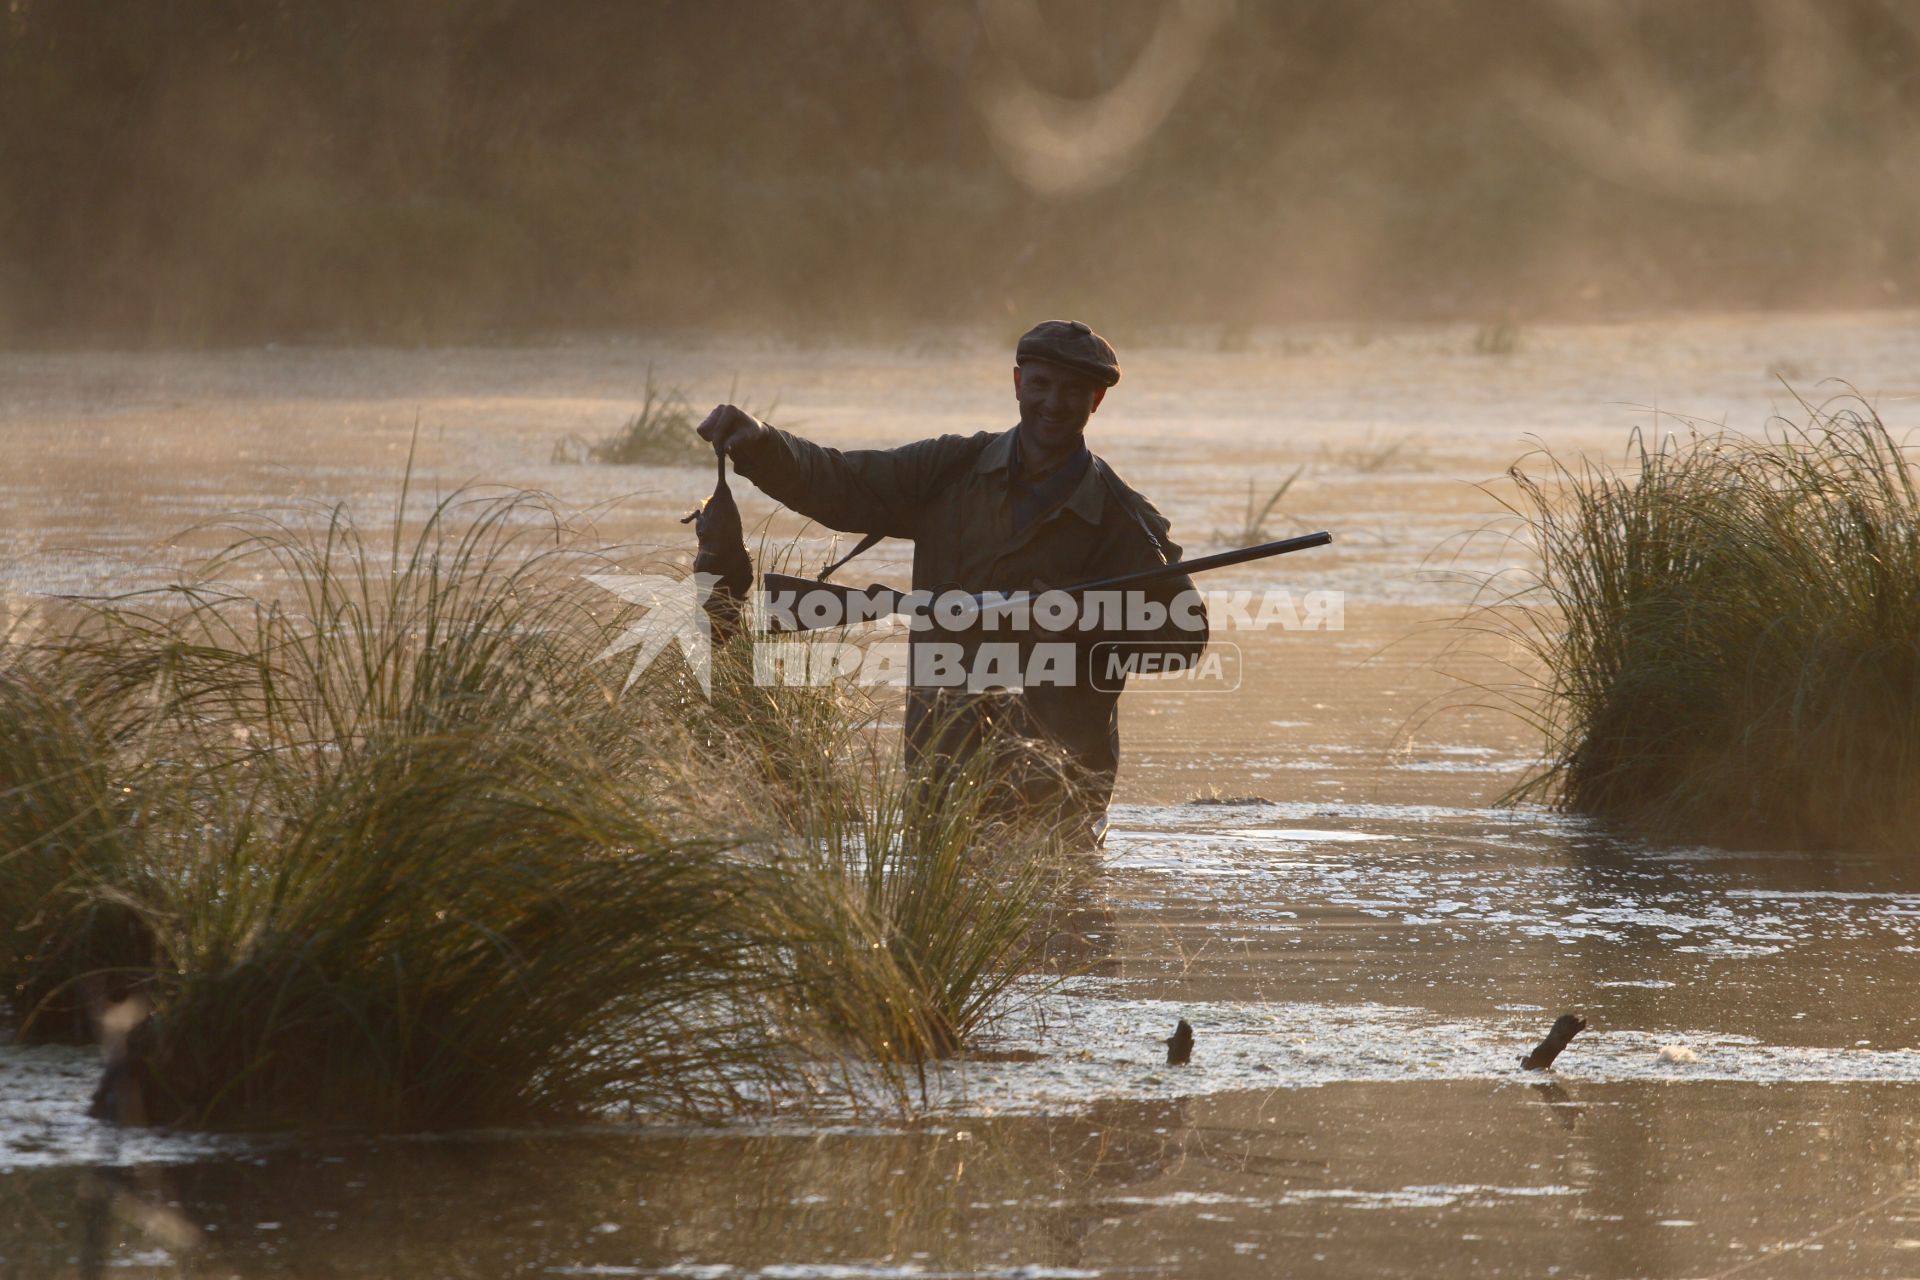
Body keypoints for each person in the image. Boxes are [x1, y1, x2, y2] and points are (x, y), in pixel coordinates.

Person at [697, 319, 1207, 838]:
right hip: (942, 771)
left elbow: (1185, 636)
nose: (1054, 402)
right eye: (1042, 384)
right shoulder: (948, 468)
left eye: (1073, 389)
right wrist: (760, 442)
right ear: (1016, 384)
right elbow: (842, 484)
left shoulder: (1121, 516)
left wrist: (1079, 626)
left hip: (1061, 790)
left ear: (1097, 399)